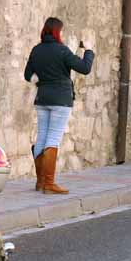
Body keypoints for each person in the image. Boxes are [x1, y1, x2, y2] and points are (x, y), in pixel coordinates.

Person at [23, 17, 95, 195]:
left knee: (42, 137)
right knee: (53, 138)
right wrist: (89, 50)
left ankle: (40, 182)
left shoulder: (37, 50)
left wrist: (41, 81)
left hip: (42, 98)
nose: (62, 34)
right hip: (60, 100)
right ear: (57, 32)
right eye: (61, 31)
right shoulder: (62, 51)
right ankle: (49, 183)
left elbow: (27, 75)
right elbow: (85, 68)